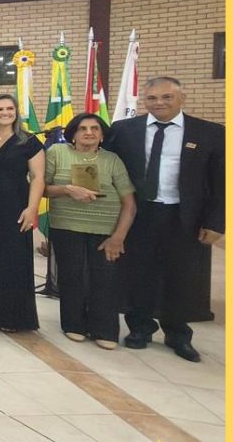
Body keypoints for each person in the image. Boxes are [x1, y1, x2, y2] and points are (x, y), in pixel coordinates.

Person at [106, 76, 224, 362]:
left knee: (181, 275)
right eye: (152, 98)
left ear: (182, 98)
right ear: (144, 101)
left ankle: (178, 333)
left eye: (167, 97)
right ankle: (140, 328)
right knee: (139, 272)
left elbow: (221, 182)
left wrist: (216, 222)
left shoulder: (209, 132)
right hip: (139, 214)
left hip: (184, 216)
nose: (159, 103)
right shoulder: (124, 130)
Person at [44, 113, 136, 349]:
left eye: (95, 128)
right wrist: (67, 189)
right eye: (82, 128)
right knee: (71, 275)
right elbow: (41, 188)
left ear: (102, 135)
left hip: (105, 230)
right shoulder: (57, 153)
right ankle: (73, 324)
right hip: (66, 226)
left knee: (104, 278)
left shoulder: (112, 159)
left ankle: (104, 329)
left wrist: (118, 237)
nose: (89, 133)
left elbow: (129, 203)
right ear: (73, 134)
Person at [0, 93, 45, 332]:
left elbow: (38, 177)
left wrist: (32, 208)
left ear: (16, 113)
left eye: (9, 109)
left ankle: (13, 318)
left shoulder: (29, 141)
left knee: (12, 261)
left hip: (15, 208)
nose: (5, 113)